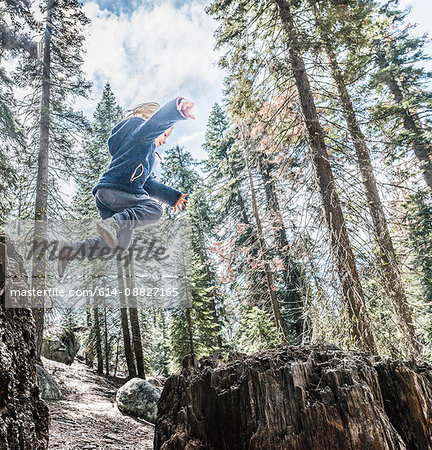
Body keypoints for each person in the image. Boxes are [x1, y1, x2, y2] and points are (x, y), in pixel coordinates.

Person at [58, 96, 195, 276]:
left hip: (109, 197)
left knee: (118, 246)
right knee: (154, 209)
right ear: (150, 120)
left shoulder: (143, 153)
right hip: (118, 191)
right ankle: (113, 224)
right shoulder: (141, 135)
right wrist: (176, 110)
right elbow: (154, 126)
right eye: (165, 134)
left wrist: (172, 196)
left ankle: (71, 250)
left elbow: (147, 183)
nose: (164, 140)